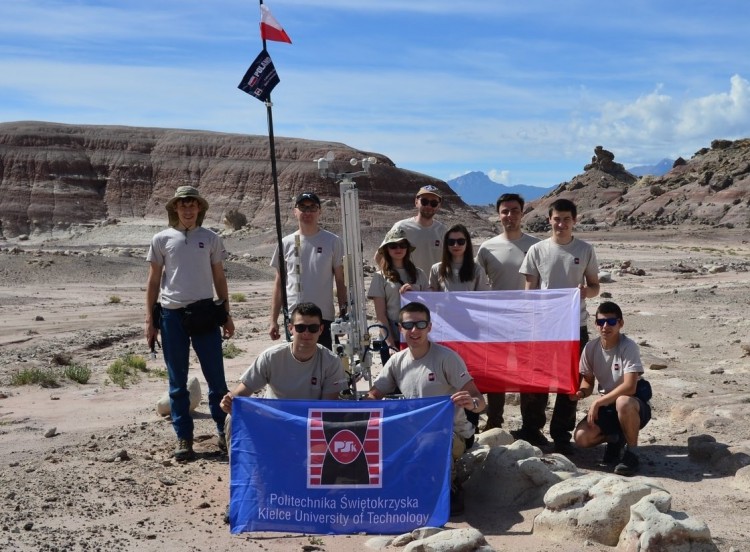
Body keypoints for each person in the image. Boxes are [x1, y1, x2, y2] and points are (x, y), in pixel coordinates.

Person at [366, 301, 486, 516]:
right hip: (412, 434)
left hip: (451, 434)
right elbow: (374, 394)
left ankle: (450, 489)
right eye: (409, 325)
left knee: (431, 445)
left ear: (429, 327)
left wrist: (472, 403)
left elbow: (479, 401)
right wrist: (361, 403)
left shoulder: (447, 358)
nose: (415, 330)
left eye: (421, 324)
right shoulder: (396, 361)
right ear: (400, 328)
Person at [145, 186, 234, 461]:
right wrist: (150, 320)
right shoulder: (161, 239)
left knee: (216, 380)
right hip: (172, 316)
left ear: (199, 209)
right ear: (175, 209)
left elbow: (219, 278)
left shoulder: (209, 238)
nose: (187, 210)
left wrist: (226, 313)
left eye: (192, 205)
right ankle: (184, 438)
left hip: (205, 313)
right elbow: (154, 280)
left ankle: (223, 432)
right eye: (182, 205)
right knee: (177, 382)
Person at [519, 198, 600, 454]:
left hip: (575, 327)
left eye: (566, 219)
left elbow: (596, 286)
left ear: (574, 220)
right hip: (544, 328)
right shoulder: (537, 250)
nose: (561, 223)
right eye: (557, 218)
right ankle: (532, 431)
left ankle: (561, 435)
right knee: (536, 380)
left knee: (570, 381)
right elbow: (530, 288)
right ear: (549, 220)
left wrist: (587, 292)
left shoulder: (585, 250)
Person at [474, 194, 541, 435]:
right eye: (505, 211)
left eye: (514, 210)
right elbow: (475, 285)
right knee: (496, 374)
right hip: (497, 322)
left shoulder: (537, 246)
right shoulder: (487, 248)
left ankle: (532, 428)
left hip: (528, 321)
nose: (509, 216)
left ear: (522, 213)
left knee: (529, 374)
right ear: (498, 214)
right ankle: (494, 422)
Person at [221, 302, 345, 422]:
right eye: (300, 327)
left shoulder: (331, 362)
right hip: (273, 420)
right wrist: (229, 401)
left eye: (313, 328)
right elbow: (243, 391)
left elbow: (327, 409)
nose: (306, 333)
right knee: (232, 418)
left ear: (321, 329)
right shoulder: (271, 357)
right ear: (291, 328)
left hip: (310, 423)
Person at [572, 302, 651, 476]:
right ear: (595, 324)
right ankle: (616, 439)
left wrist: (598, 402)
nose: (605, 327)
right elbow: (588, 381)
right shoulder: (591, 348)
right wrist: (582, 392)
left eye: (611, 322)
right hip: (607, 406)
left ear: (620, 323)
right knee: (581, 438)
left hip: (633, 405)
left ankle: (632, 454)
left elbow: (630, 387)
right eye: (601, 322)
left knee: (623, 402)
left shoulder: (628, 347)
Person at [269, 192, 346, 351]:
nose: (307, 212)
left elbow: (340, 280)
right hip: (295, 316)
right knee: (298, 361)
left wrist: (344, 313)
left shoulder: (332, 241)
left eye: (312, 208)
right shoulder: (286, 243)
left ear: (319, 211)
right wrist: (273, 320)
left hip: (324, 316)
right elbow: (279, 284)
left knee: (325, 362)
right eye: (303, 207)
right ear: (295, 211)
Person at [367, 228, 429, 366]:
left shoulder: (420, 274)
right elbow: (381, 315)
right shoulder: (380, 276)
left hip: (417, 336)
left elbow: (431, 305)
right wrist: (390, 344)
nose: (398, 249)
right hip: (392, 338)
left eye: (402, 245)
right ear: (387, 249)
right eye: (393, 246)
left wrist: (415, 292)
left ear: (407, 248)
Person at [382, 185, 447, 277]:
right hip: (409, 288)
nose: (428, 206)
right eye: (424, 201)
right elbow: (381, 256)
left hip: (434, 289)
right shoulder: (401, 227)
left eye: (433, 203)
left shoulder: (442, 230)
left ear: (439, 206)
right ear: (416, 202)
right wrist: (395, 279)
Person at [428, 224, 489, 292]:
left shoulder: (478, 270)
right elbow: (432, 297)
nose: (456, 245)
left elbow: (482, 298)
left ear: (467, 243)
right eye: (451, 242)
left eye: (461, 241)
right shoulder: (436, 269)